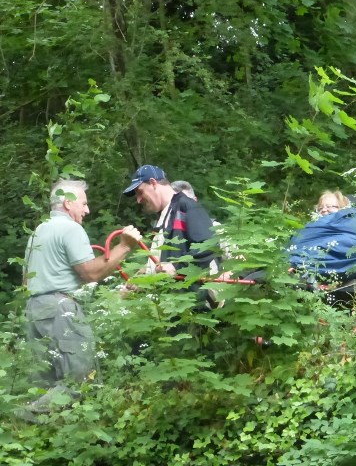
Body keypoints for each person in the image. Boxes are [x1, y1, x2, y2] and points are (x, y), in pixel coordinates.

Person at [24, 179, 142, 388]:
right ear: (68, 203)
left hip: (34, 310)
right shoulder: (70, 229)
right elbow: (91, 273)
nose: (87, 210)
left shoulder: (38, 231)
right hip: (60, 310)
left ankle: (32, 417)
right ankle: (28, 415)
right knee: (80, 380)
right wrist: (124, 246)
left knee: (46, 383)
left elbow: (26, 280)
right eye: (84, 203)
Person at [123, 165, 217, 279]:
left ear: (153, 183)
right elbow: (163, 262)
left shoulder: (186, 206)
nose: (138, 200)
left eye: (140, 192)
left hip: (189, 295)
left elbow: (209, 246)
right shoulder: (164, 216)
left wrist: (177, 267)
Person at [288, 190, 356, 284]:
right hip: (317, 254)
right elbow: (300, 239)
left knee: (344, 243)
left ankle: (303, 267)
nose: (324, 210)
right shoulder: (314, 225)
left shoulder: (351, 219)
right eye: (320, 208)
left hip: (340, 251)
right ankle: (303, 267)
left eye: (329, 206)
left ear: (342, 207)